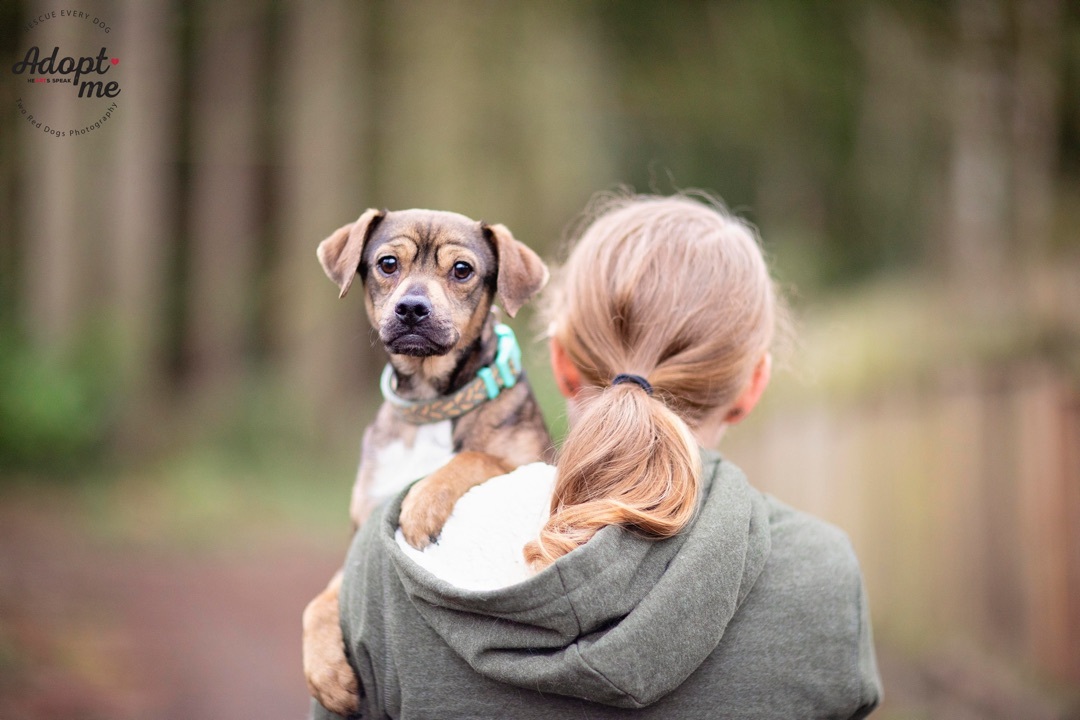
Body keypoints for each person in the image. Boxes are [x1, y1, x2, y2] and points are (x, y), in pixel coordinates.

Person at [312, 193, 882, 719]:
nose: (414, 295)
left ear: (559, 362)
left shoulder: (379, 566)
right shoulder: (825, 573)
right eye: (389, 266)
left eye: (459, 272)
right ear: (754, 384)